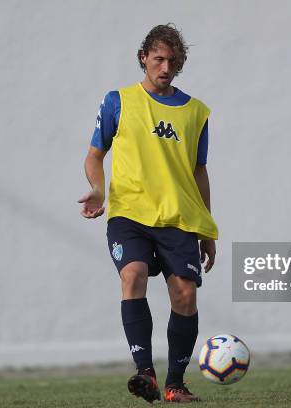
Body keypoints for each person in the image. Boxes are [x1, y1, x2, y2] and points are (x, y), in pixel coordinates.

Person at [78, 23, 217, 404]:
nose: (165, 66)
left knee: (185, 295)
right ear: (144, 58)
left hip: (179, 217)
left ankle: (175, 384)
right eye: (158, 58)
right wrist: (97, 188)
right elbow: (94, 155)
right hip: (130, 214)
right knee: (133, 275)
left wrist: (208, 231)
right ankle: (146, 375)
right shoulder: (117, 101)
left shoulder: (196, 113)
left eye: (173, 60)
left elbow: (198, 172)